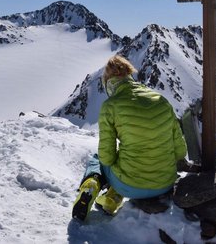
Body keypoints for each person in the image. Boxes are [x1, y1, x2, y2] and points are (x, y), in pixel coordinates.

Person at [72, 55, 187, 221]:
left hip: (130, 186)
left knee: (98, 160)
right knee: (125, 163)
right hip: (165, 184)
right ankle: (112, 199)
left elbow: (107, 157)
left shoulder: (110, 106)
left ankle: (91, 186)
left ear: (108, 83)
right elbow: (180, 151)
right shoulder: (162, 101)